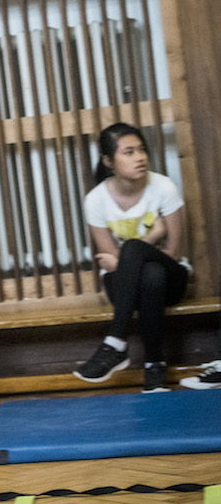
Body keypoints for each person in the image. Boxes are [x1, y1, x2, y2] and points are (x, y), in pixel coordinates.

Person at [73, 122, 190, 392]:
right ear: (108, 161)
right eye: (129, 152)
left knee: (145, 261)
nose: (140, 157)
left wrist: (128, 255)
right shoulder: (96, 200)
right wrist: (153, 235)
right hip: (125, 288)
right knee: (150, 274)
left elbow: (173, 252)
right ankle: (154, 367)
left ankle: (115, 343)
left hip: (172, 280)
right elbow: (113, 261)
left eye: (141, 149)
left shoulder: (163, 187)